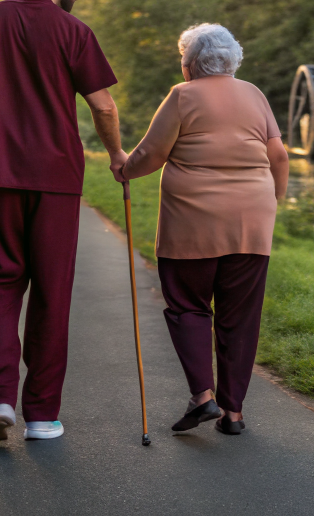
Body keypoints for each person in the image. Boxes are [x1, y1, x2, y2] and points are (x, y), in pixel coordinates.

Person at [0, 0, 127, 443]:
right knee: (51, 291)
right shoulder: (74, 32)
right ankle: (42, 417)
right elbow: (104, 108)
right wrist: (116, 156)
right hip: (57, 180)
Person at [117, 23, 288, 435]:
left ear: (190, 65)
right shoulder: (254, 94)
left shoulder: (182, 95)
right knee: (239, 317)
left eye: (182, 61)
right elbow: (278, 156)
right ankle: (233, 414)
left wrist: (124, 168)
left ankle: (203, 397)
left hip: (191, 224)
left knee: (189, 306)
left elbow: (151, 154)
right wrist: (271, 205)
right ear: (232, 61)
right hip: (251, 222)